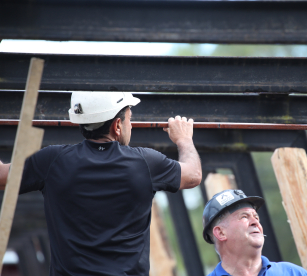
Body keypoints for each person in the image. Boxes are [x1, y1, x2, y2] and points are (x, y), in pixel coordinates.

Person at [0, 92, 202, 276]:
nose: (130, 126)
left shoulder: (52, 161)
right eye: (129, 120)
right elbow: (193, 175)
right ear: (117, 126)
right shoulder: (145, 163)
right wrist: (184, 139)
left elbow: (2, 177)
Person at [203, 189, 307, 276]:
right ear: (221, 233)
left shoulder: (292, 273)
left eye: (256, 217)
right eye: (244, 217)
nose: (255, 222)